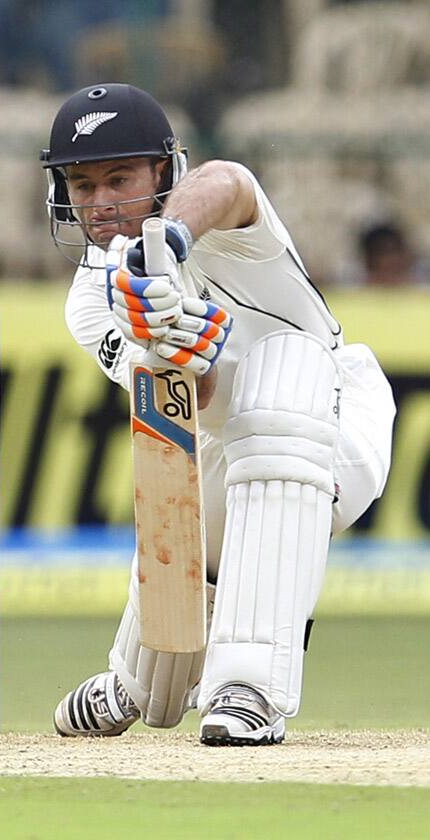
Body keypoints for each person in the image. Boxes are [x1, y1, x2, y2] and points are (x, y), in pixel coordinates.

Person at [40, 83, 396, 746]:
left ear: (165, 172)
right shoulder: (90, 299)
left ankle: (250, 687)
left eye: (119, 178)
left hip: (337, 420)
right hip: (221, 444)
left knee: (279, 377)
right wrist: (170, 345)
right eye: (82, 185)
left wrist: (167, 246)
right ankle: (136, 679)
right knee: (187, 448)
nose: (100, 202)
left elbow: (227, 180)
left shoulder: (228, 229)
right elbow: (186, 406)